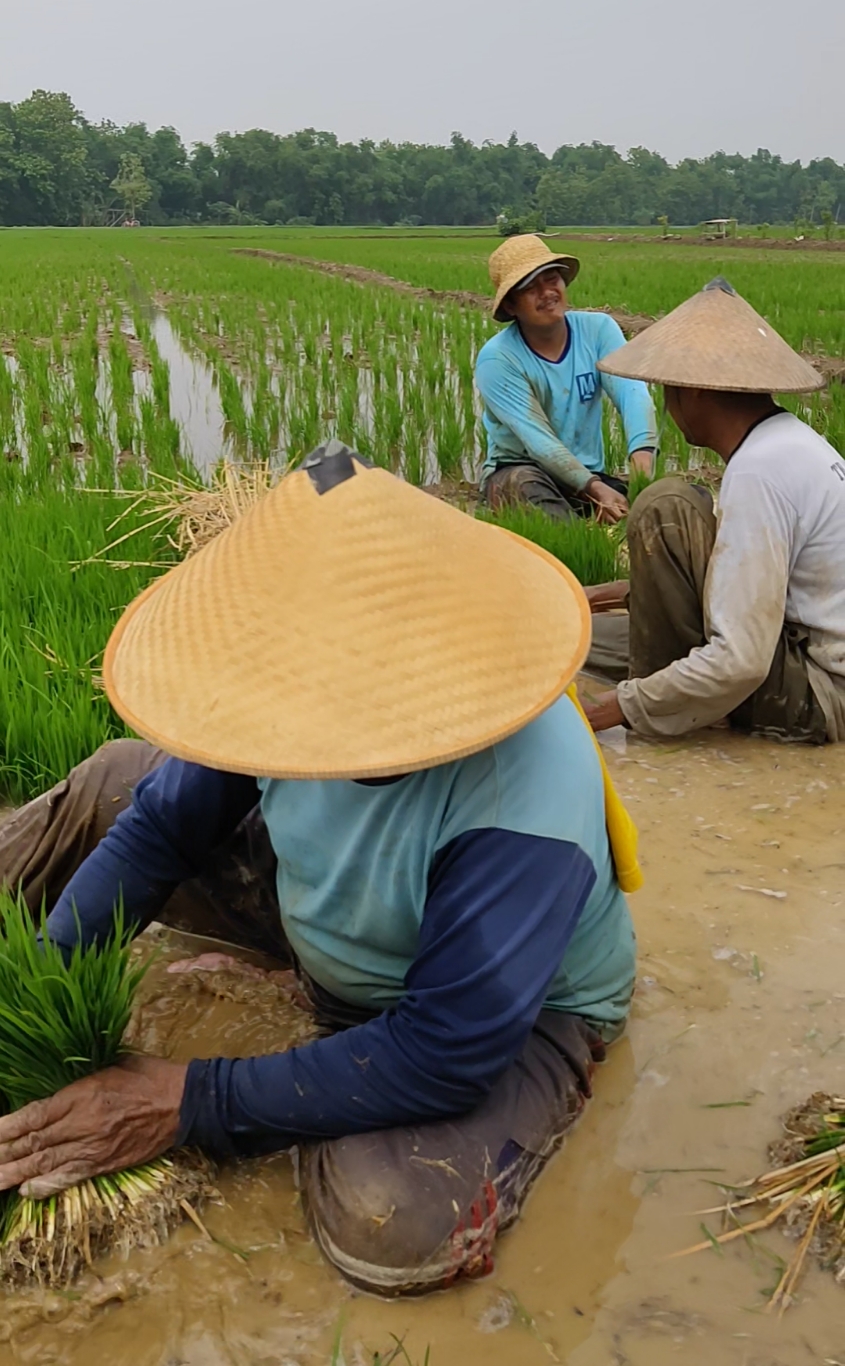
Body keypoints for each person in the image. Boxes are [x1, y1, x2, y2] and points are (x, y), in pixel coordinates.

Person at [0, 442, 642, 1296]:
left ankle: (350, 1060)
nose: (328, 724)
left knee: (395, 1220)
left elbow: (446, 1050)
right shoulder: (279, 683)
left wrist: (187, 1099)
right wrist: (42, 988)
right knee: (123, 778)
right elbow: (160, 826)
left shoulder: (527, 789)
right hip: (338, 917)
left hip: (506, 1010)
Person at [581, 278, 845, 743]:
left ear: (696, 390)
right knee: (582, 641)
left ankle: (676, 703)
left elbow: (741, 661)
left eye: (667, 389)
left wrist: (619, 709)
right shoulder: (786, 443)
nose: (666, 405)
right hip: (804, 655)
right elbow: (740, 580)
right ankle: (656, 679)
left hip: (820, 693)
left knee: (666, 507)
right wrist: (610, 593)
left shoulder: (759, 472)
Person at [476, 234, 658, 524]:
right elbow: (538, 441)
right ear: (511, 306)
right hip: (521, 471)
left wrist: (642, 461)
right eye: (530, 288)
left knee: (663, 503)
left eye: (551, 279)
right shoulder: (497, 359)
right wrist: (596, 489)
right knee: (529, 491)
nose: (547, 292)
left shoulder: (599, 330)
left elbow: (632, 393)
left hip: (586, 476)